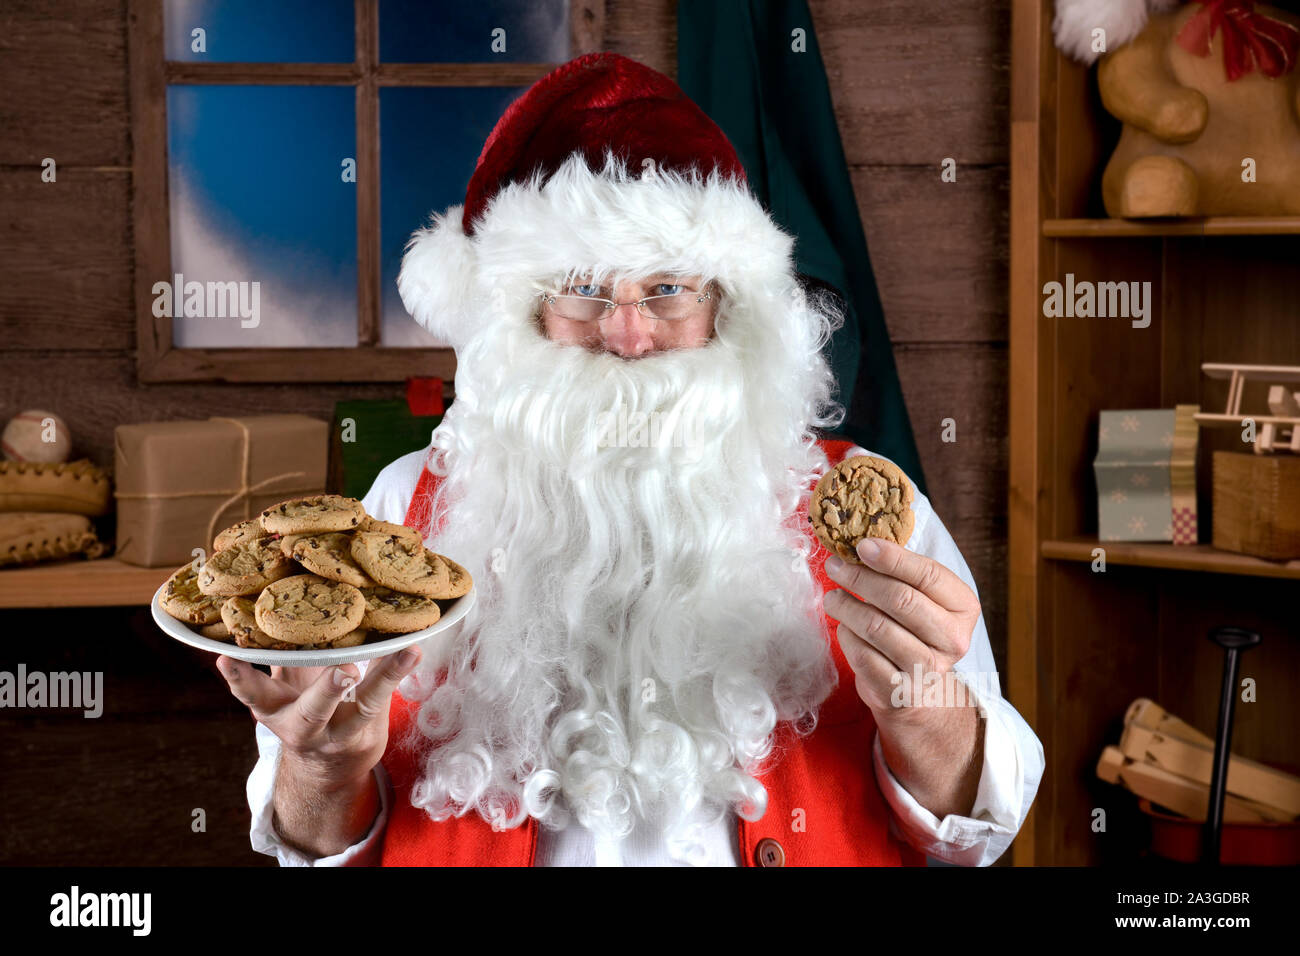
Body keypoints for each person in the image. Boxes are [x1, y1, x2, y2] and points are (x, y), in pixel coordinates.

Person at [218, 51, 1044, 867]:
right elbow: (311, 844)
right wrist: (321, 764)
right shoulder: (405, 515)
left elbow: (979, 834)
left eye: (668, 289)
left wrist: (927, 713)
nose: (627, 336)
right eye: (581, 288)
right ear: (521, 314)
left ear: (730, 307)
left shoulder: (870, 514)